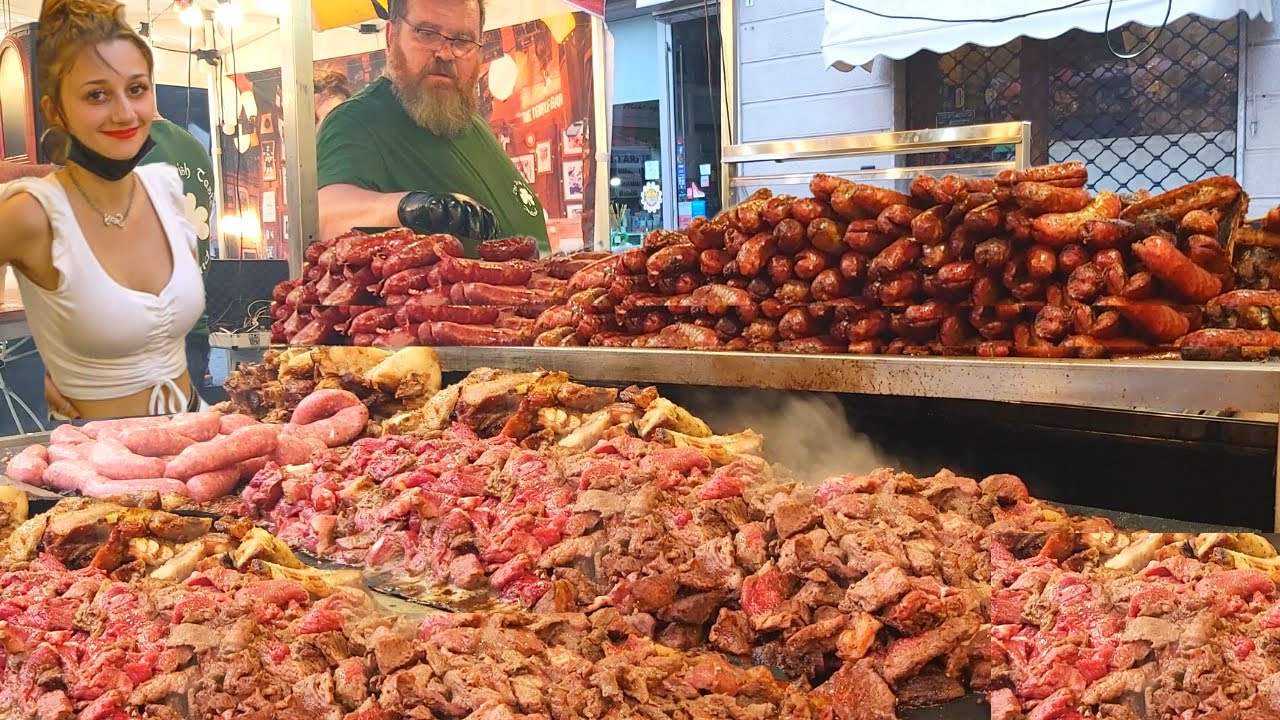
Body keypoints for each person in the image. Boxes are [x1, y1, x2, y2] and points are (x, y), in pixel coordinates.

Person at [0, 0, 205, 421]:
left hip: (195, 436)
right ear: (55, 110)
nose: (125, 113)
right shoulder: (29, 214)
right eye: (97, 94)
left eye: (136, 89)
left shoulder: (164, 186)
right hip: (95, 465)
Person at [316, 0, 550, 257]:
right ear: (391, 36)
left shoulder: (473, 124)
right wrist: (410, 207)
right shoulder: (357, 121)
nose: (446, 53)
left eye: (462, 40)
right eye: (427, 33)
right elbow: (326, 215)